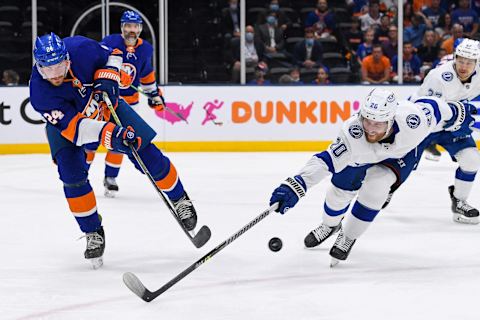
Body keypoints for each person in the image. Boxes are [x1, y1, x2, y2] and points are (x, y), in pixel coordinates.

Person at [29, 32, 199, 268]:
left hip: (109, 108)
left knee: (146, 154)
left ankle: (180, 198)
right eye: (47, 70)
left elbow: (115, 55)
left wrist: (109, 77)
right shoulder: (40, 93)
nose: (55, 75)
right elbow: (77, 130)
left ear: (68, 58)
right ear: (38, 67)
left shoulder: (81, 48)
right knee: (72, 175)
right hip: (70, 128)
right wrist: (112, 135)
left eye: (59, 66)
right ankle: (92, 231)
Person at [268, 88, 475, 265]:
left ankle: (348, 236)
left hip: (399, 157)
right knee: (338, 193)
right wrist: (296, 185)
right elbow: (325, 161)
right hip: (360, 156)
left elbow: (437, 107)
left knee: (376, 187)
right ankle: (330, 225)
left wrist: (457, 113)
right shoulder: (353, 133)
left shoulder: (414, 120)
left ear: (392, 119)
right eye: (367, 121)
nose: (371, 129)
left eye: (378, 123)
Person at [83, 10, 164, 197]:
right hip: (105, 100)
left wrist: (154, 94)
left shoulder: (146, 49)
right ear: (122, 27)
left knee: (121, 140)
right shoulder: (110, 42)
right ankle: (81, 176)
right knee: (92, 141)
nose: (131, 30)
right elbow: (97, 64)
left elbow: (146, 75)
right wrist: (114, 73)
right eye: (128, 26)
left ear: (140, 29)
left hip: (129, 104)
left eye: (135, 26)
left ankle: (110, 178)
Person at [410, 38, 480, 224]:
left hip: (453, 122)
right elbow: (428, 111)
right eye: (461, 60)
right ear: (455, 58)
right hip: (426, 122)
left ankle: (460, 201)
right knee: (393, 175)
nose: (464, 66)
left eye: (469, 62)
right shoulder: (439, 76)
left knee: (472, 159)